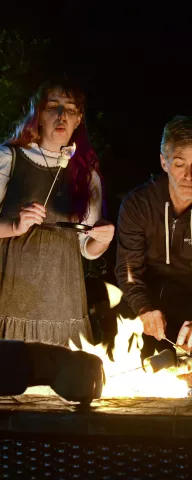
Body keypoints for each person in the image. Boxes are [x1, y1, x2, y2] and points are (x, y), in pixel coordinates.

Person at [0, 78, 114, 348]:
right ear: (38, 114)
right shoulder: (9, 157)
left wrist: (104, 237)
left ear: (79, 119)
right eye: (53, 107)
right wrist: (14, 226)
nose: (62, 115)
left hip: (64, 305)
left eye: (70, 109)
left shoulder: (87, 174)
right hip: (11, 298)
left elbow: (87, 247)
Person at [115, 115, 192, 357]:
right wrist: (143, 308)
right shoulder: (138, 204)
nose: (189, 175)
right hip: (150, 308)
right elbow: (128, 270)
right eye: (179, 164)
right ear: (164, 163)